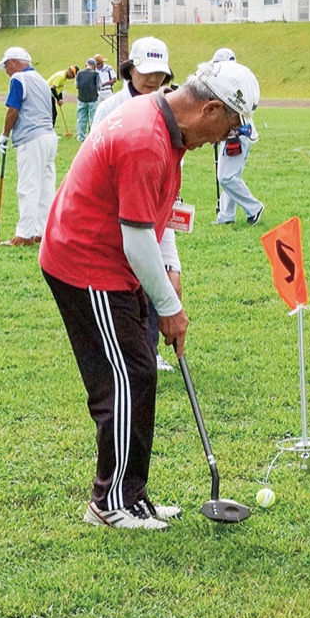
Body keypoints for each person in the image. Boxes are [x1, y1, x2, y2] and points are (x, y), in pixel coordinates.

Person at [39, 58, 260, 530]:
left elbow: (157, 214)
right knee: (123, 381)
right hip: (87, 263)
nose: (225, 139)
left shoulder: (163, 124)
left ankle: (132, 496)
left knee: (137, 372)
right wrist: (170, 309)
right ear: (211, 109)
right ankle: (109, 503)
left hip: (115, 258)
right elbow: (136, 236)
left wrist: (171, 270)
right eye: (230, 127)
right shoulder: (146, 139)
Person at [91, 36, 179, 373]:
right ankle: (115, 351)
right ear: (131, 70)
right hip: (114, 212)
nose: (153, 81)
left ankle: (150, 350)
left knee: (154, 276)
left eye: (160, 74)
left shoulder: (170, 109)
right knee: (120, 284)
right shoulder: (109, 109)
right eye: (146, 73)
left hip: (153, 210)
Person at [0, 47, 59, 247]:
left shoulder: (18, 79)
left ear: (15, 62)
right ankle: (43, 231)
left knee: (28, 186)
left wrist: (5, 134)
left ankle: (24, 234)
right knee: (45, 186)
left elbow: (13, 109)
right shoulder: (41, 79)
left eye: (6, 65)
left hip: (31, 138)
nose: (6, 70)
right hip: (49, 136)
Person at [212, 47, 264, 225]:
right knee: (231, 175)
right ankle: (226, 216)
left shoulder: (231, 85)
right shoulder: (238, 81)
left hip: (237, 133)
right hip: (238, 133)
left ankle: (254, 208)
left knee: (226, 177)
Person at [74, 58, 101, 142]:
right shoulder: (96, 74)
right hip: (93, 98)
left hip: (81, 98)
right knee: (93, 117)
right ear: (94, 65)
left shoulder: (79, 73)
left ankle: (80, 136)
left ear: (87, 64)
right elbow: (99, 86)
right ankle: (92, 135)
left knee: (81, 118)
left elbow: (77, 85)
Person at [48, 65, 80, 131]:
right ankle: (50, 131)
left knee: (53, 114)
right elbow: (52, 88)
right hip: (47, 95)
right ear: (70, 72)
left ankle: (50, 131)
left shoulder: (64, 76)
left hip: (50, 95)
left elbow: (60, 89)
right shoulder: (61, 76)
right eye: (73, 75)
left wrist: (61, 98)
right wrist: (58, 99)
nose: (73, 78)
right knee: (53, 114)